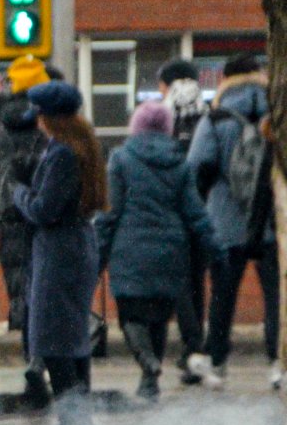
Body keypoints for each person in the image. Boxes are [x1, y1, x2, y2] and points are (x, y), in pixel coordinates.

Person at [95, 100, 223, 402]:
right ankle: (148, 382)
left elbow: (110, 212)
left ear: (135, 126)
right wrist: (214, 245)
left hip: (130, 249)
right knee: (158, 317)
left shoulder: (122, 159)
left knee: (130, 316)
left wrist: (98, 252)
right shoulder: (179, 162)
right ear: (167, 128)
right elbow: (195, 212)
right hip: (170, 250)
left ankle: (147, 363)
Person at [13, 80, 109, 425]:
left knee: (54, 344)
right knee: (72, 343)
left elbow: (42, 209)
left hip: (60, 253)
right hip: (75, 247)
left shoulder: (63, 154)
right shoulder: (80, 146)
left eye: (38, 115)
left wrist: (18, 193)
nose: (35, 121)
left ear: (49, 118)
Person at [187, 52, 280, 389]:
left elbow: (198, 164)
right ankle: (278, 363)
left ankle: (218, 361)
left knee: (223, 295)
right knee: (276, 296)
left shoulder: (217, 118)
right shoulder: (277, 113)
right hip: (271, 220)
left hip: (225, 222)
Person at [0, 54, 53, 404]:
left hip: (9, 221)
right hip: (42, 217)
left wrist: (1, 211)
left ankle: (31, 362)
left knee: (22, 291)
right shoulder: (47, 126)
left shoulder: (0, 129)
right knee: (45, 288)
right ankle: (43, 361)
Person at [157, 58, 214, 384]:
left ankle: (193, 346)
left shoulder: (164, 115)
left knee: (178, 281)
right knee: (196, 280)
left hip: (173, 212)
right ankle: (198, 346)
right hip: (204, 211)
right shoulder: (207, 112)